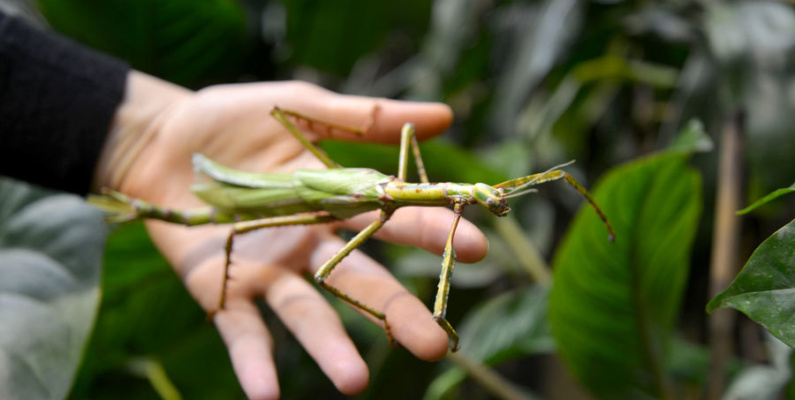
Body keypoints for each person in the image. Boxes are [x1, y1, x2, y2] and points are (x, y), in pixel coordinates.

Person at [0, 11, 488, 400]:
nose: (473, 198)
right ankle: (147, 205)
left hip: (236, 183)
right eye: (473, 195)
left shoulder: (389, 193)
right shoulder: (378, 194)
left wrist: (128, 134)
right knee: (293, 251)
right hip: (244, 197)